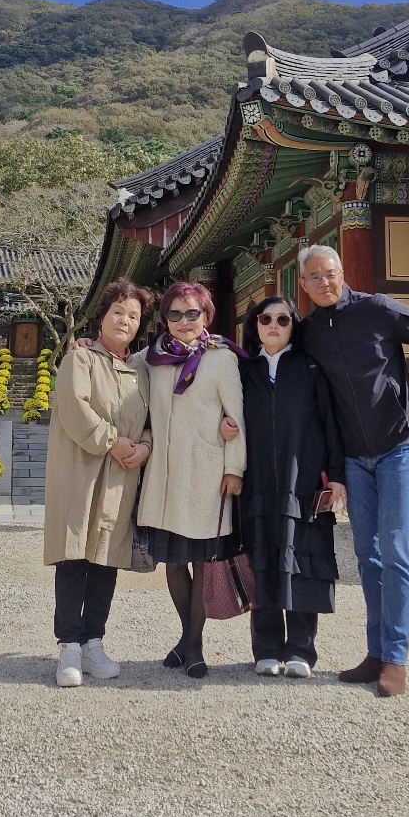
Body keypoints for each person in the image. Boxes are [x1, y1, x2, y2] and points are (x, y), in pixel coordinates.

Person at [297, 244, 409, 697]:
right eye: (314, 277)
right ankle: (375, 652)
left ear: (343, 272)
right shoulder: (309, 331)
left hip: (397, 445)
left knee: (397, 550)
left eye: (330, 273)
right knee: (368, 555)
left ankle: (395, 658)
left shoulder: (377, 309)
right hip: (353, 457)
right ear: (303, 284)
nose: (325, 282)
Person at [43, 279, 153, 688]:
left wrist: (145, 446)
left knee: (107, 558)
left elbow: (152, 419)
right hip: (81, 473)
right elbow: (75, 409)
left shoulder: (141, 370)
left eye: (133, 316)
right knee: (74, 557)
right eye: (118, 312)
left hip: (121, 478)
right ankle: (69, 647)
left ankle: (94, 642)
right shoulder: (81, 359)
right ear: (102, 317)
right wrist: (113, 442)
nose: (125, 320)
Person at [135, 281, 246, 679]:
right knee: (173, 562)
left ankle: (193, 644)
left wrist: (234, 468)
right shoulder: (150, 358)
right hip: (164, 475)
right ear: (165, 318)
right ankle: (187, 639)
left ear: (206, 316)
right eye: (175, 313)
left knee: (201, 562)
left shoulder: (221, 358)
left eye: (192, 313)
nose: (184, 321)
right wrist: (85, 347)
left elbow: (237, 417)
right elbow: (114, 362)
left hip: (206, 474)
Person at [239, 296, 345, 679]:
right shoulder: (243, 371)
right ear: (255, 326)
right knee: (263, 559)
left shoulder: (311, 368)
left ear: (293, 326)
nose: (273, 325)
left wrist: (336, 476)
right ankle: (266, 648)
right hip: (256, 483)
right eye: (265, 319)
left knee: (303, 562)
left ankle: (301, 649)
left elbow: (331, 424)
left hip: (302, 482)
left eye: (282, 320)